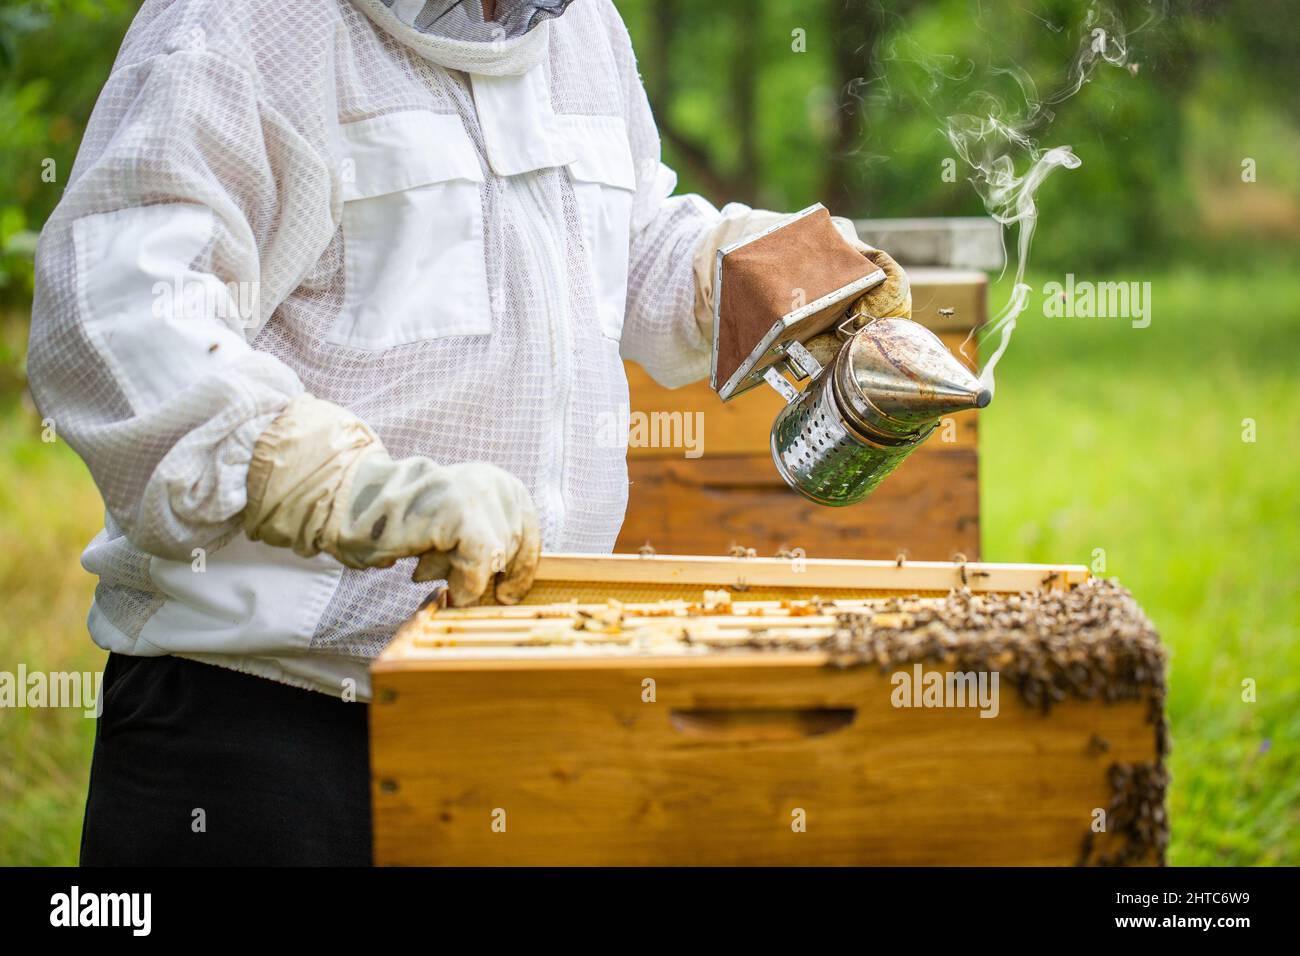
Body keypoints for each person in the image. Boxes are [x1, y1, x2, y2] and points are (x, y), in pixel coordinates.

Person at [27, 0, 910, 865]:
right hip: (265, 731)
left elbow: (625, 239)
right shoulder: (239, 21)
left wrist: (773, 278)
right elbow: (118, 307)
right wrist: (341, 486)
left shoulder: (581, 27)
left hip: (514, 704)